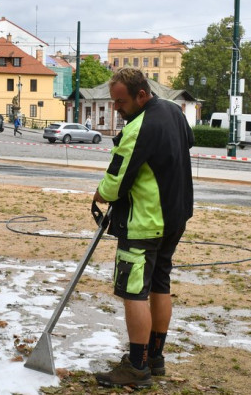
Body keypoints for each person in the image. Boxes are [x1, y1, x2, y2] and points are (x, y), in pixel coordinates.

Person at [92, 68, 194, 388]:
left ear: (140, 95)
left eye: (120, 102)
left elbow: (115, 183)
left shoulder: (137, 128)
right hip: (175, 217)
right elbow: (184, 147)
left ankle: (136, 367)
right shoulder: (173, 112)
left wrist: (98, 195)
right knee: (160, 284)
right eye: (113, 102)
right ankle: (155, 357)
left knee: (133, 291)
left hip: (145, 222)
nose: (116, 108)